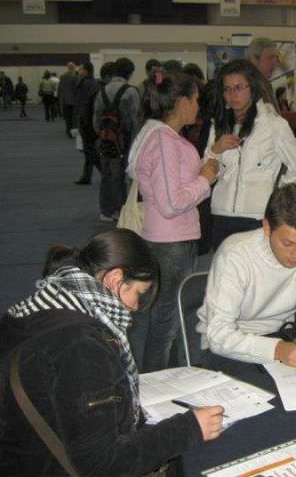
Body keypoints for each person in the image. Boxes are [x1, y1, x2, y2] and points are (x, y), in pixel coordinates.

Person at [0, 228, 224, 476]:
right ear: (115, 279)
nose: (136, 307)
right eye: (138, 293)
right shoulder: (82, 345)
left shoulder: (44, 303)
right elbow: (103, 463)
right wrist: (189, 428)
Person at [196, 184, 296, 381]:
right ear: (266, 227)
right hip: (230, 346)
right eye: (288, 243)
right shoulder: (235, 254)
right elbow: (219, 336)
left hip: (283, 336)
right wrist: (278, 350)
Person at [128, 70, 218, 373]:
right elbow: (171, 203)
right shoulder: (165, 141)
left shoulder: (156, 135)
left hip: (168, 240)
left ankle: (169, 377)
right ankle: (157, 384)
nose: (198, 106)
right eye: (195, 100)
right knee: (166, 322)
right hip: (171, 243)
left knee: (167, 318)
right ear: (181, 102)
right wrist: (205, 180)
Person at [203, 59, 296, 252]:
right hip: (220, 215)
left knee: (257, 279)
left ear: (252, 88)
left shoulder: (274, 124)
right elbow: (206, 173)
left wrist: (277, 197)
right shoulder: (218, 125)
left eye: (239, 87)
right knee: (226, 278)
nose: (233, 95)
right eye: (227, 89)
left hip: (257, 218)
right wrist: (214, 150)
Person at [93, 57, 140, 222]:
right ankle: (121, 210)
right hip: (125, 139)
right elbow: (135, 119)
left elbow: (96, 118)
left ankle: (106, 210)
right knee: (120, 176)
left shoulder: (103, 90)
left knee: (106, 174)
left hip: (106, 137)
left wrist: (103, 134)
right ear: (130, 73)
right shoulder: (131, 91)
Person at [73, 62, 101, 185]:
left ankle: (104, 172)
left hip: (86, 121)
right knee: (89, 149)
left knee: (89, 150)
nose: (79, 71)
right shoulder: (94, 84)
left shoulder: (84, 84)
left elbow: (81, 105)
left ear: (86, 71)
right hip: (91, 120)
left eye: (81, 69)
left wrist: (79, 121)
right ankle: (86, 175)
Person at [58, 62, 78, 138]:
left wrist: (60, 98)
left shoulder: (62, 76)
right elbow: (77, 89)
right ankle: (72, 131)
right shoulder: (75, 77)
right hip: (73, 100)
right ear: (73, 68)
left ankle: (68, 130)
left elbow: (60, 88)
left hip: (65, 100)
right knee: (73, 117)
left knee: (67, 117)